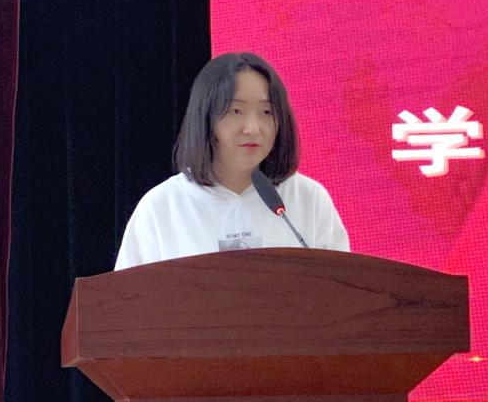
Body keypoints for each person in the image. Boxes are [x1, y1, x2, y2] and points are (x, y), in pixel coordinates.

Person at [114, 52, 349, 269]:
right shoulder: (162, 207)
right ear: (206, 118)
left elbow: (343, 290)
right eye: (236, 111)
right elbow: (127, 297)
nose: (253, 128)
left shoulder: (309, 198)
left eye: (266, 112)